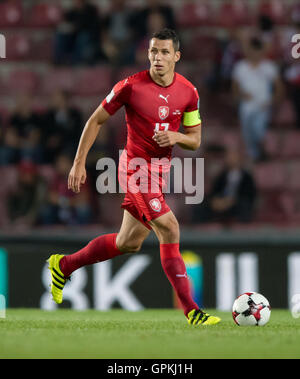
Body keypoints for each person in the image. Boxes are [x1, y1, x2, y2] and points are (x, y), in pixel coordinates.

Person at [47, 29, 220, 326]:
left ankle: (63, 265)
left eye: (165, 52)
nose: (158, 57)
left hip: (160, 173)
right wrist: (78, 163)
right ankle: (192, 310)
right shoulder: (130, 86)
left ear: (176, 56)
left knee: (128, 242)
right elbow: (95, 120)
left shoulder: (189, 93)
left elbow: (195, 140)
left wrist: (176, 136)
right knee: (169, 227)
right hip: (135, 169)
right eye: (153, 51)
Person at [232, 37, 283, 161]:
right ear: (248, 50)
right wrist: (242, 95)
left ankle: (259, 152)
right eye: (252, 50)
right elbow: (235, 89)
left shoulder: (269, 67)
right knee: (247, 130)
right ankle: (254, 154)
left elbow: (279, 87)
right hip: (247, 105)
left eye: (257, 50)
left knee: (258, 129)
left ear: (261, 51)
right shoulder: (240, 67)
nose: (255, 53)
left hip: (263, 105)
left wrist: (273, 101)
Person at [193, 148, 257, 224]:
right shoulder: (222, 176)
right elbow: (215, 191)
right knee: (200, 205)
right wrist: (216, 201)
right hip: (221, 203)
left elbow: (249, 195)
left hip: (237, 204)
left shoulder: (247, 177)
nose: (230, 159)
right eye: (229, 157)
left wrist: (230, 201)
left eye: (233, 157)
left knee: (244, 206)